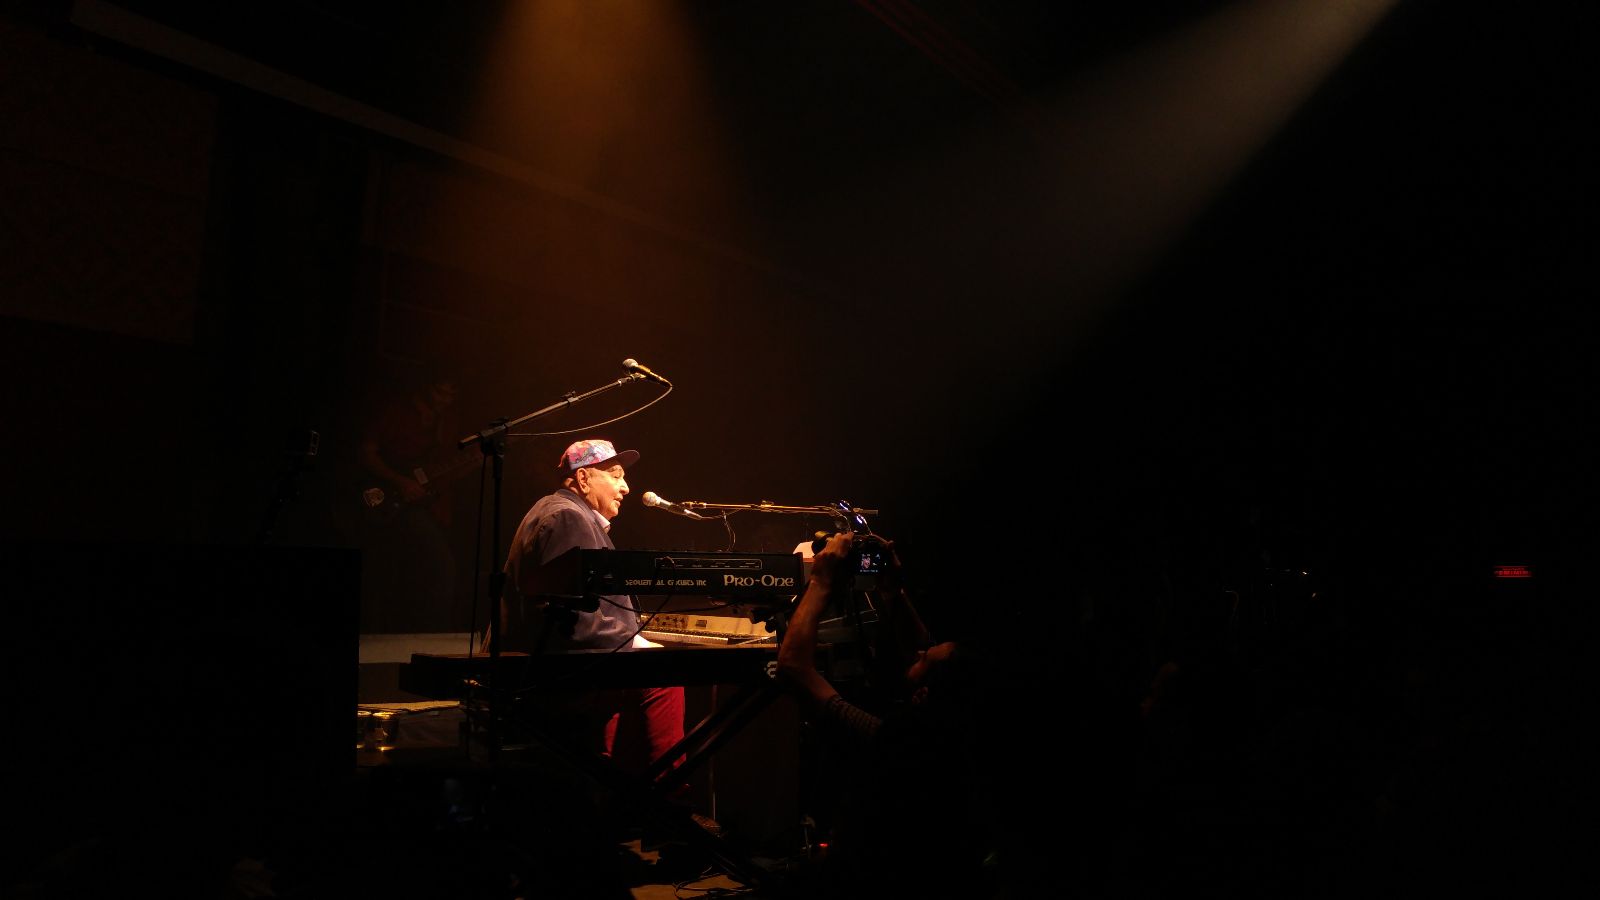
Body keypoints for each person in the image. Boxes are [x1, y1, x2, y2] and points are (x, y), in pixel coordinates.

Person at [775, 530, 998, 898]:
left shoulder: (891, 739)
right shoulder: (961, 736)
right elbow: (920, 646)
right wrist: (893, 592)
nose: (920, 651)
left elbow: (794, 669)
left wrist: (820, 582)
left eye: (926, 659)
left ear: (924, 693)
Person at [495, 438, 686, 787]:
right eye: (615, 476)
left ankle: (614, 797)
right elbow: (570, 620)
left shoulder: (562, 512)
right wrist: (634, 643)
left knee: (643, 674)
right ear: (583, 479)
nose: (626, 487)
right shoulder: (568, 517)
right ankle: (671, 803)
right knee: (665, 677)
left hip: (566, 665)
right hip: (560, 674)